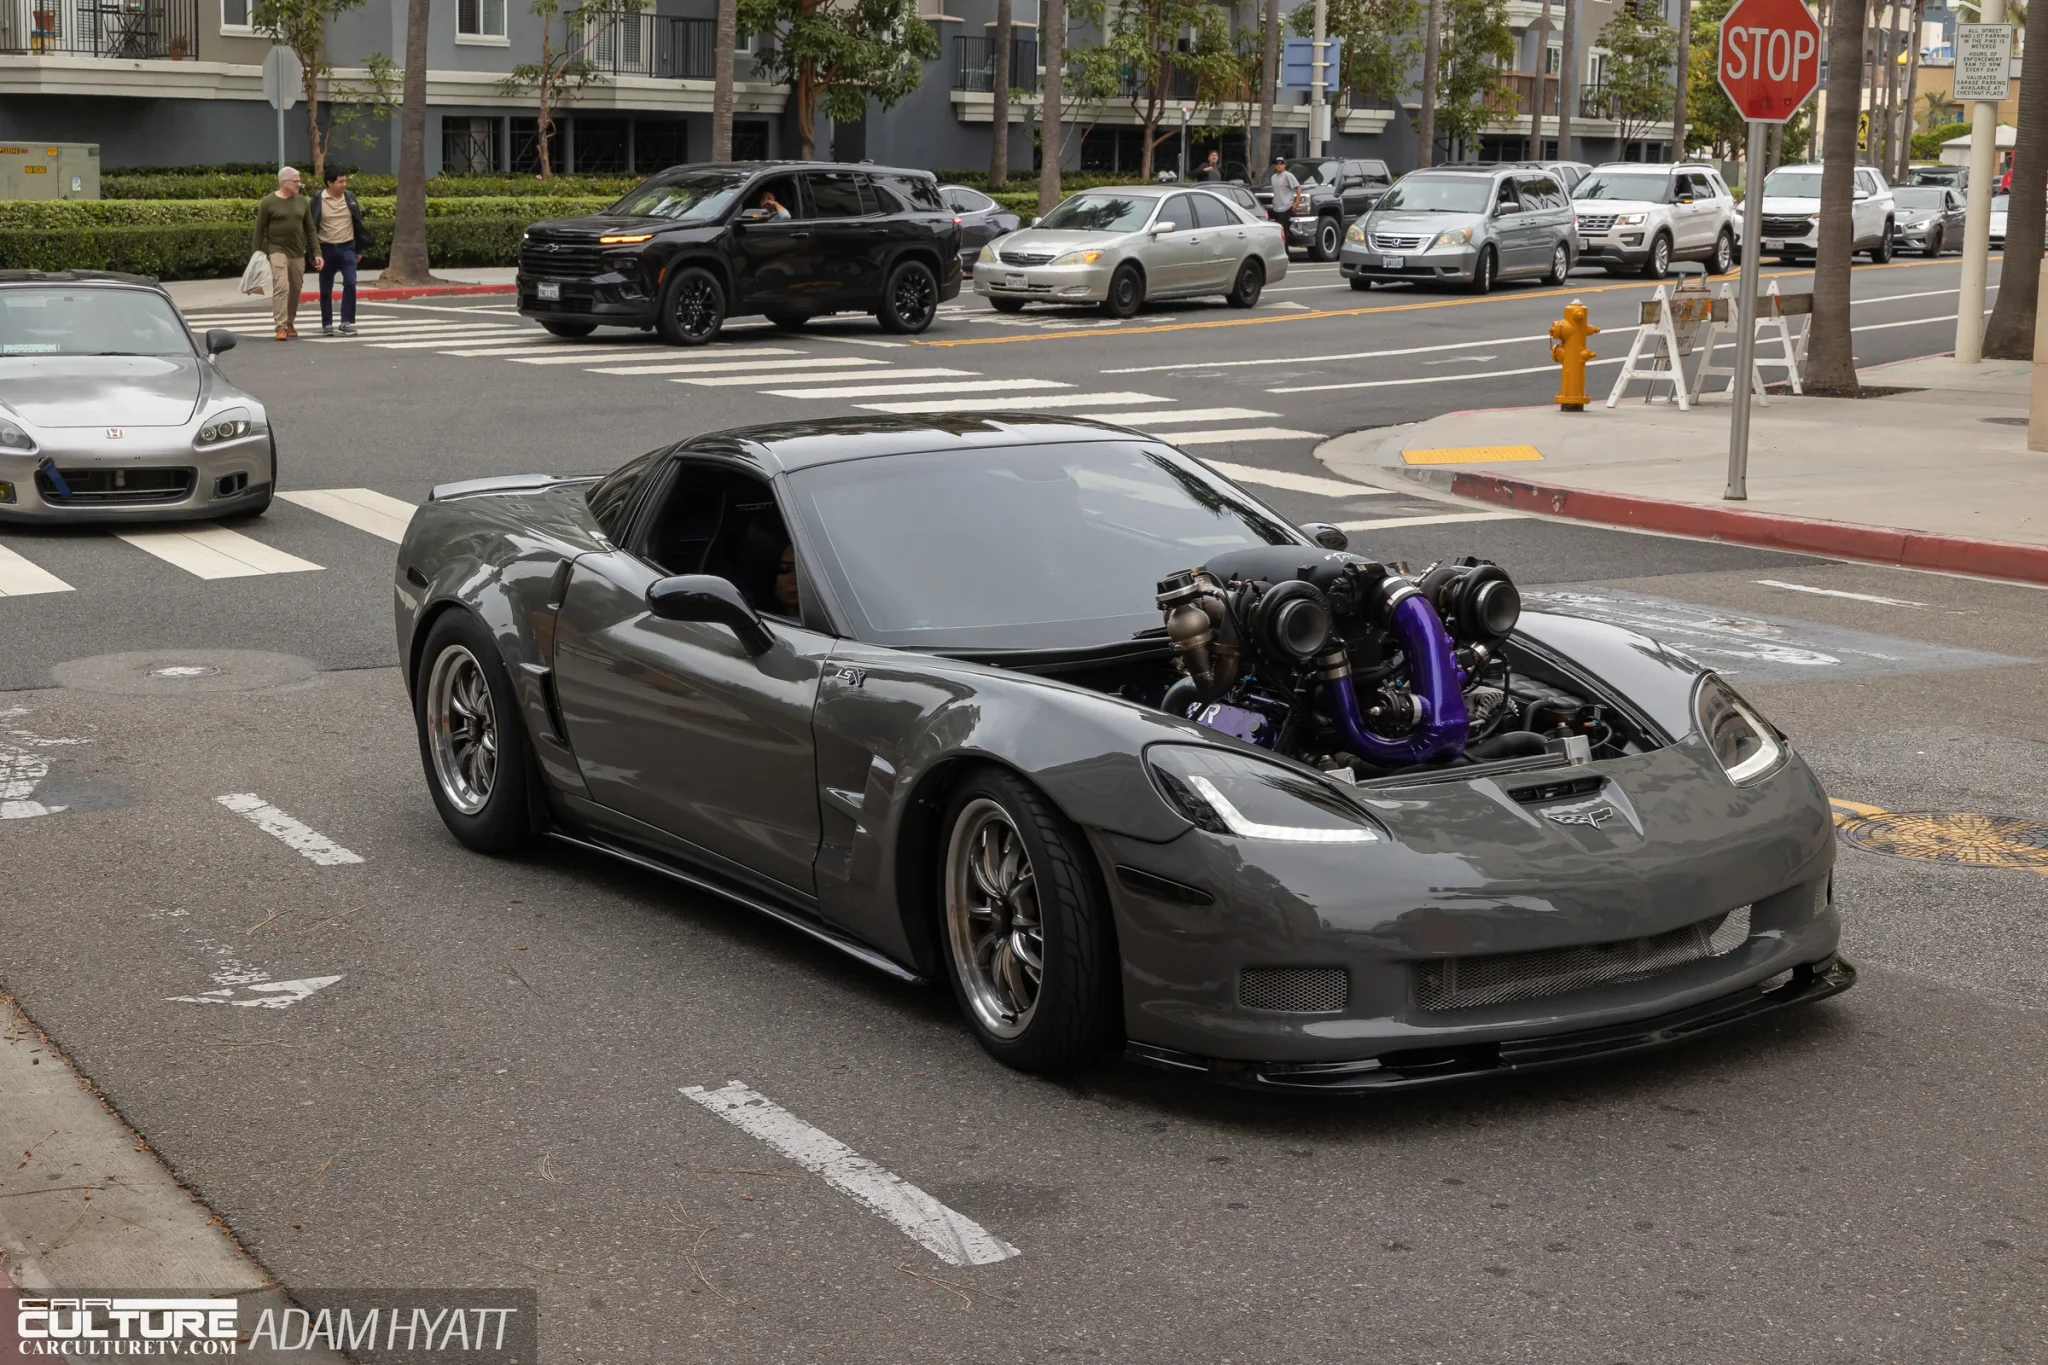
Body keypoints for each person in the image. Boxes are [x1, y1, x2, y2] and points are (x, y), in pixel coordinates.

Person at [252, 167, 320, 340]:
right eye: (296, 181)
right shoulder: (268, 202)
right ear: (284, 182)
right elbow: (259, 230)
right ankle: (280, 326)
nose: (299, 184)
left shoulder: (302, 202)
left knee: (296, 288)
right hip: (277, 249)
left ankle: (290, 322)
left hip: (297, 251)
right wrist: (256, 256)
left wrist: (317, 252)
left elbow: (310, 229)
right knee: (281, 286)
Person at [310, 169, 372, 337]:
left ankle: (346, 322)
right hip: (326, 248)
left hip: (347, 247)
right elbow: (310, 227)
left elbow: (358, 223)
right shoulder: (317, 199)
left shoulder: (349, 197)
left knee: (351, 282)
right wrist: (314, 253)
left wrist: (359, 249)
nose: (344, 184)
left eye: (345, 181)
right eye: (340, 181)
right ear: (330, 183)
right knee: (325, 288)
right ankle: (327, 324)